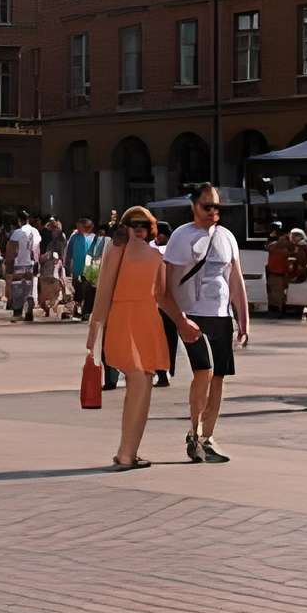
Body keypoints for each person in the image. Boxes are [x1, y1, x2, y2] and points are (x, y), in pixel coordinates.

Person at [87, 205, 199, 470]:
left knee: (141, 384)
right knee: (140, 383)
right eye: (134, 224)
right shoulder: (135, 253)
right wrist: (95, 330)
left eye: (143, 224)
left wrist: (182, 323)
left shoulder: (132, 253)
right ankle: (127, 453)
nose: (139, 229)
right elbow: (106, 292)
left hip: (139, 319)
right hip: (132, 319)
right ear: (125, 226)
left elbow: (160, 296)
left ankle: (127, 452)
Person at [161, 186, 249, 464]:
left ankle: (207, 437)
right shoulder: (181, 236)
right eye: (206, 206)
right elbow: (167, 284)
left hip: (221, 315)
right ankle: (194, 431)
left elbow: (235, 280)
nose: (213, 212)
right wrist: (179, 318)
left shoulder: (226, 237)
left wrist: (243, 320)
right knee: (204, 371)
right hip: (193, 314)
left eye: (216, 207)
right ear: (194, 207)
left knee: (219, 376)